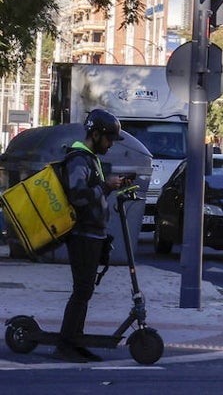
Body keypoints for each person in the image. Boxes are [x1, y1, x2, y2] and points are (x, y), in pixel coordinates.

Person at [54, 108, 126, 363]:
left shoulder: (90, 159)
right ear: (95, 134)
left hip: (93, 235)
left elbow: (93, 195)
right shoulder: (78, 159)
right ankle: (65, 344)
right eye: (107, 139)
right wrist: (106, 186)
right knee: (81, 290)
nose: (109, 145)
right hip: (82, 235)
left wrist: (109, 188)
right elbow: (78, 196)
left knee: (84, 291)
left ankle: (77, 340)